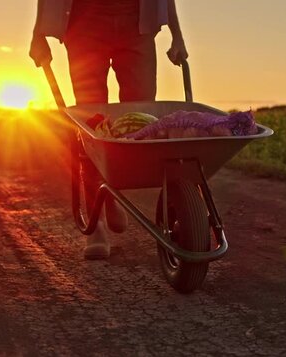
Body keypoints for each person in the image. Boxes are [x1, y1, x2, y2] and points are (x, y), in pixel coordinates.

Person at [29, 0, 189, 259]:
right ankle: (97, 224)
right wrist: (38, 34)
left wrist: (177, 35)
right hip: (84, 27)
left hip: (137, 27)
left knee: (140, 123)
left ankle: (111, 188)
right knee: (92, 125)